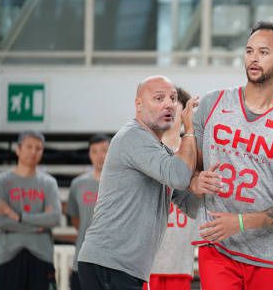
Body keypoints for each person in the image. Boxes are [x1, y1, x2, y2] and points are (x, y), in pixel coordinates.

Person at [191, 22, 273, 290]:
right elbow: (192, 168)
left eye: (264, 52)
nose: (254, 58)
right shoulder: (212, 104)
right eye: (249, 51)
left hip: (267, 255)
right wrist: (193, 180)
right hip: (217, 247)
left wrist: (240, 223)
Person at [77, 75, 200, 290]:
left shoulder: (160, 150)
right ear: (139, 104)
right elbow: (179, 176)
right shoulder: (133, 136)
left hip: (124, 267)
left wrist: (202, 184)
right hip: (110, 264)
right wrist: (189, 130)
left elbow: (191, 205)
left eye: (172, 98)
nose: (169, 104)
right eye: (159, 98)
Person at [0, 130, 62, 290]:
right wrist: (39, 224)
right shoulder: (1, 182)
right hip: (9, 255)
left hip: (42, 255)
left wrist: (17, 216)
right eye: (29, 147)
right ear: (18, 149)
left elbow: (55, 218)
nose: (33, 152)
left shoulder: (49, 182)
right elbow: (0, 222)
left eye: (38, 148)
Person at [148, 87, 198, 290]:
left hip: (179, 260)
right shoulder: (145, 152)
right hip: (145, 261)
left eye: (173, 105)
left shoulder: (195, 155)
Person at [66, 133, 110, 290]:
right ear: (89, 154)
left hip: (113, 261)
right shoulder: (78, 184)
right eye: (95, 151)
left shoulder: (121, 183)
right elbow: (76, 220)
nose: (100, 156)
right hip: (83, 259)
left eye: (104, 150)